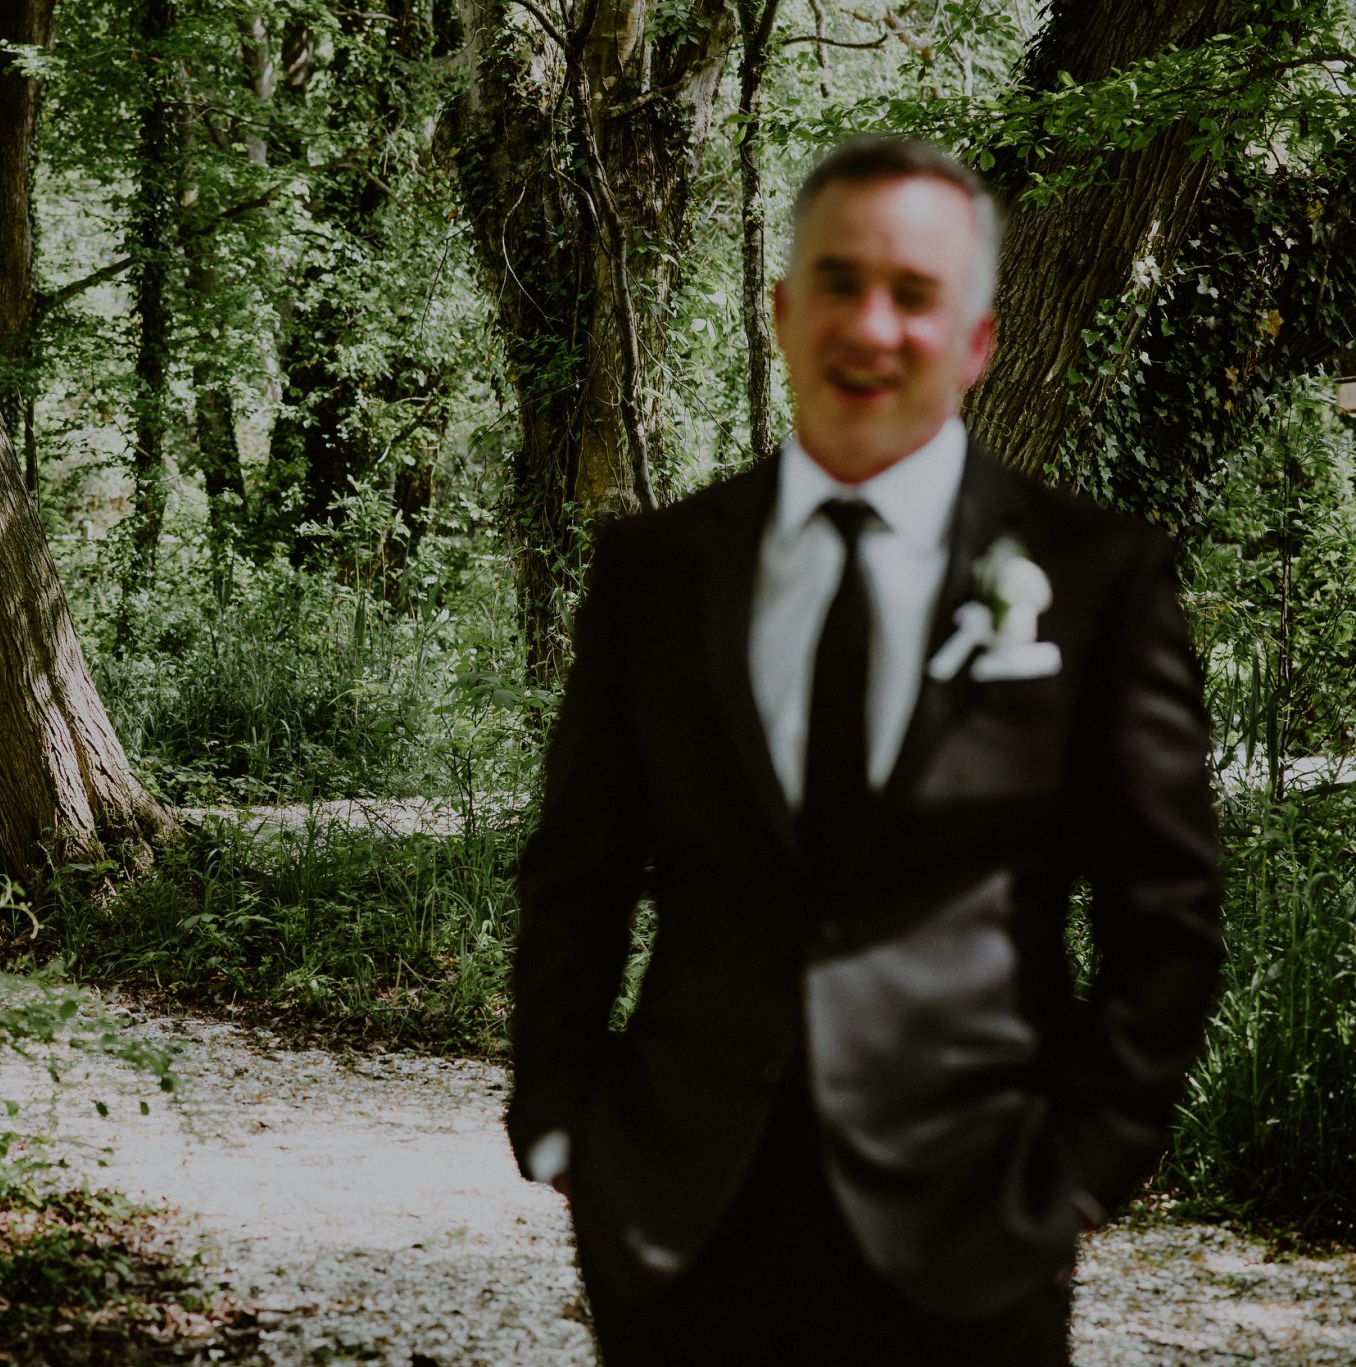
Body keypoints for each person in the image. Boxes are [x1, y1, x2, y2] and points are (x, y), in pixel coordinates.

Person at [508, 136, 1223, 1365]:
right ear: (782, 312)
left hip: (972, 1223)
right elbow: (577, 865)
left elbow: (1164, 911)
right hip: (681, 1214)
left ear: (977, 340)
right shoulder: (658, 574)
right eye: (837, 282)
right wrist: (563, 1122)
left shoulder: (1096, 577)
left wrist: (1084, 1173)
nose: (870, 325)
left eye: (913, 293)